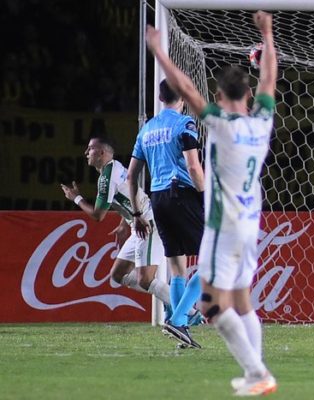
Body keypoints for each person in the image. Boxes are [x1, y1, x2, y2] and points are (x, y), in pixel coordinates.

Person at [145, 10, 277, 396]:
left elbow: (186, 89)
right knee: (241, 300)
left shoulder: (219, 122)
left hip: (223, 226)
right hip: (251, 224)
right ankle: (256, 375)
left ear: (220, 96)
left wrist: (160, 53)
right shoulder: (262, 121)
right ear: (249, 96)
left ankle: (258, 372)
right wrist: (267, 34)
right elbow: (270, 75)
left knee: (210, 307)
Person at [128, 78, 205, 348]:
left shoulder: (146, 130)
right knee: (213, 261)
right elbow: (193, 168)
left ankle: (180, 329)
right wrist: (206, 195)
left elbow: (131, 175)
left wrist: (137, 213)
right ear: (183, 96)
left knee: (177, 267)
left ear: (160, 98)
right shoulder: (184, 124)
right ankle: (180, 318)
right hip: (182, 194)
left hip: (157, 199)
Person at [61, 136, 171, 312]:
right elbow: (129, 196)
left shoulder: (106, 178)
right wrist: (123, 223)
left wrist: (76, 198)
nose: (86, 152)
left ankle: (186, 310)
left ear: (101, 152)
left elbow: (98, 216)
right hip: (138, 224)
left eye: (90, 148)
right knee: (118, 274)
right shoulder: (116, 167)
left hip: (148, 225)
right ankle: (170, 300)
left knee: (145, 279)